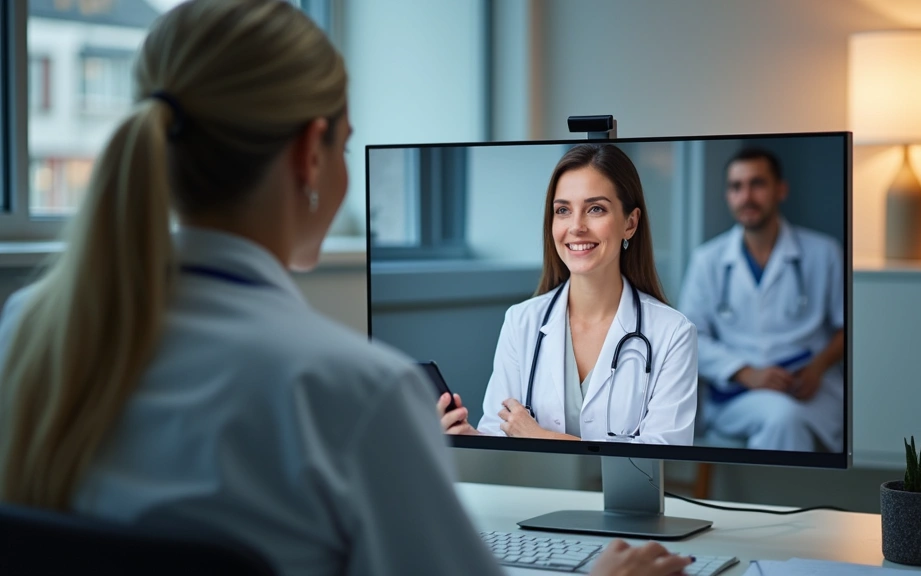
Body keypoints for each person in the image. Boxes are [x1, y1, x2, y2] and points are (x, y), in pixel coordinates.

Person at [0, 2, 693, 575]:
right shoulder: (354, 391)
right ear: (310, 152)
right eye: (347, 144)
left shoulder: (26, 331)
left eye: (596, 208)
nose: (575, 226)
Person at [440, 144, 698, 445]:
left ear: (630, 223)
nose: (576, 226)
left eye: (596, 209)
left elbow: (662, 456)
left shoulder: (673, 333)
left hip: (624, 496)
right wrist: (469, 439)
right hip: (532, 494)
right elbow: (501, 437)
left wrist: (542, 438)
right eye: (563, 210)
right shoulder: (520, 322)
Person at [679, 148, 845, 452]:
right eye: (736, 187)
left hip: (809, 388)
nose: (746, 196)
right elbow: (689, 339)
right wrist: (747, 373)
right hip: (739, 393)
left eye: (757, 183)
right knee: (782, 419)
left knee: (786, 417)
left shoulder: (824, 253)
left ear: (780, 190)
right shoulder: (708, 260)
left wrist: (817, 368)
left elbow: (847, 328)